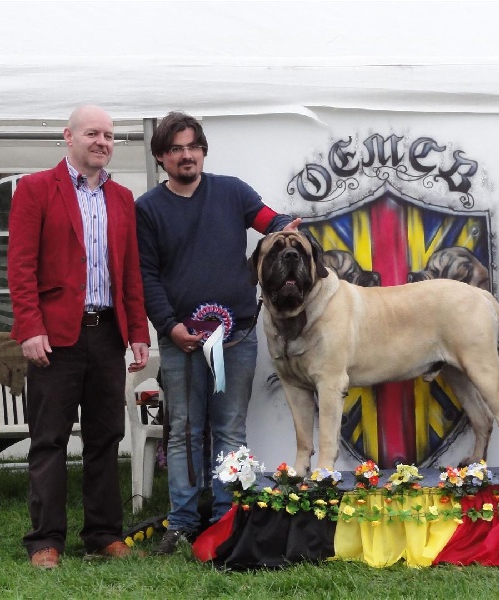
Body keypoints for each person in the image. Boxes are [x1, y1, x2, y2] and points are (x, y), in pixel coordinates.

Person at [135, 111, 300, 555]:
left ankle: (228, 517)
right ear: (161, 157)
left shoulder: (233, 192)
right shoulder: (146, 209)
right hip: (179, 341)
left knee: (230, 430)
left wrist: (285, 225)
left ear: (203, 150)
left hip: (238, 336)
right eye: (175, 149)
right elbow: (146, 276)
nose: (185, 155)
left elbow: (272, 221)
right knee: (184, 430)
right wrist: (170, 327)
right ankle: (184, 521)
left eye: (192, 146)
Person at [7, 105, 151, 568]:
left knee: (105, 437)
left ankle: (103, 534)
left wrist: (137, 331)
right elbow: (21, 266)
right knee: (49, 439)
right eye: (93, 133)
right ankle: (45, 540)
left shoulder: (122, 198)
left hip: (107, 334)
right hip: (54, 337)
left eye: (109, 135)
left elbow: (129, 273)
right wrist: (30, 327)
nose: (103, 142)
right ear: (68, 137)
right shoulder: (34, 189)